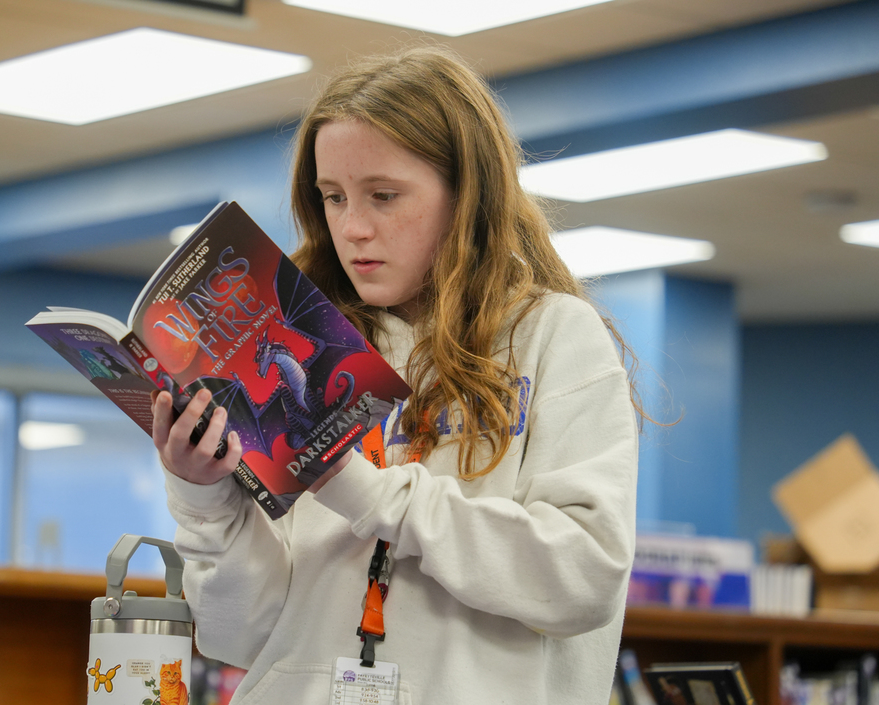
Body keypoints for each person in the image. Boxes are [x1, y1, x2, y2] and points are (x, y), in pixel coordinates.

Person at [153, 45, 639, 704]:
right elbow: (239, 634)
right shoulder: (300, 346)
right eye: (332, 196)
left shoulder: (553, 337)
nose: (352, 228)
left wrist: (366, 490)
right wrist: (203, 498)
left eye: (383, 196)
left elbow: (583, 578)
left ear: (466, 195)